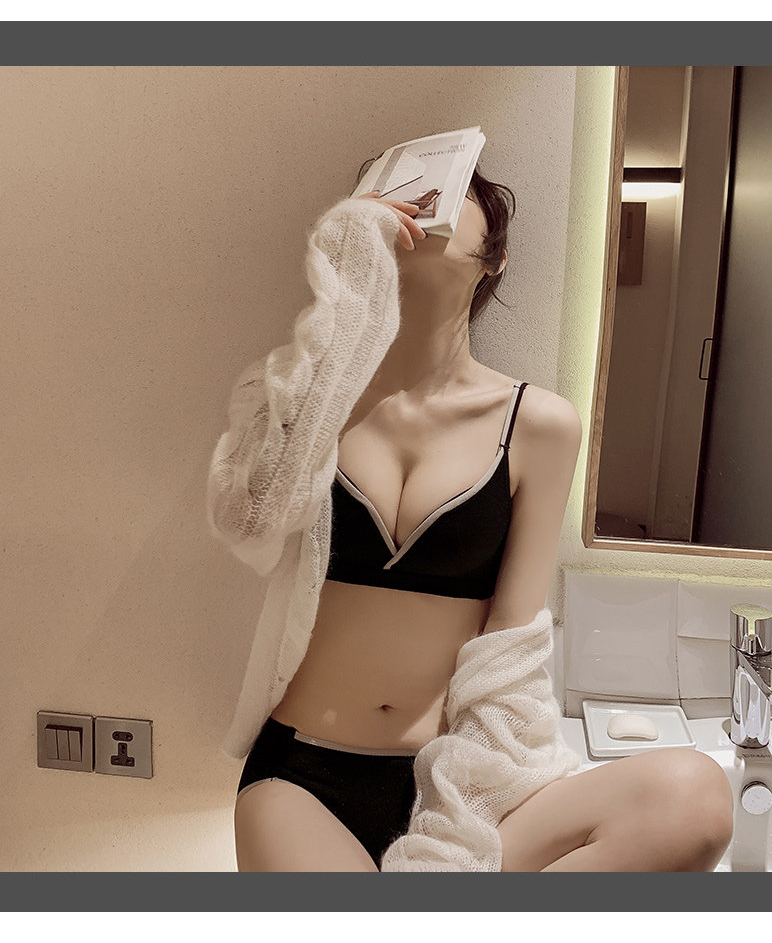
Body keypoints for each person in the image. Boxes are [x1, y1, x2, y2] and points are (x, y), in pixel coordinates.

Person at [207, 164, 734, 872]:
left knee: (693, 796)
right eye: (396, 190)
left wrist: (458, 817)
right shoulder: (307, 403)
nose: (421, 201)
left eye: (449, 188)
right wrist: (344, 278)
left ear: (496, 257)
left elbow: (510, 635)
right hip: (304, 774)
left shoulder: (538, 425)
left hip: (458, 775)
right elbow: (244, 520)